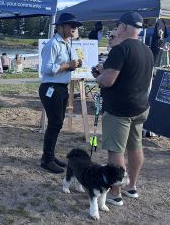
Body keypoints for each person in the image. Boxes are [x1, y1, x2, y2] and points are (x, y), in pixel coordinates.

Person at [94, 12, 153, 207]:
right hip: (140, 106)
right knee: (135, 147)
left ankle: (115, 193)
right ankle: (132, 187)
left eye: (119, 25)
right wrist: (105, 70)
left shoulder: (121, 49)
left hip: (120, 109)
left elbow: (108, 81)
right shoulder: (147, 50)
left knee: (115, 150)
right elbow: (130, 73)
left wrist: (98, 78)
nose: (117, 29)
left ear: (124, 27)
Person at [39, 12, 83, 173]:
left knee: (56, 123)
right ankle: (47, 159)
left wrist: (73, 65)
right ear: (60, 27)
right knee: (55, 123)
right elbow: (47, 69)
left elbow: (63, 66)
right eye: (71, 25)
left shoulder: (66, 43)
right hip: (52, 88)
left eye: (76, 25)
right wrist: (67, 65)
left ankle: (49, 156)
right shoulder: (53, 44)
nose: (74, 28)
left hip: (60, 88)